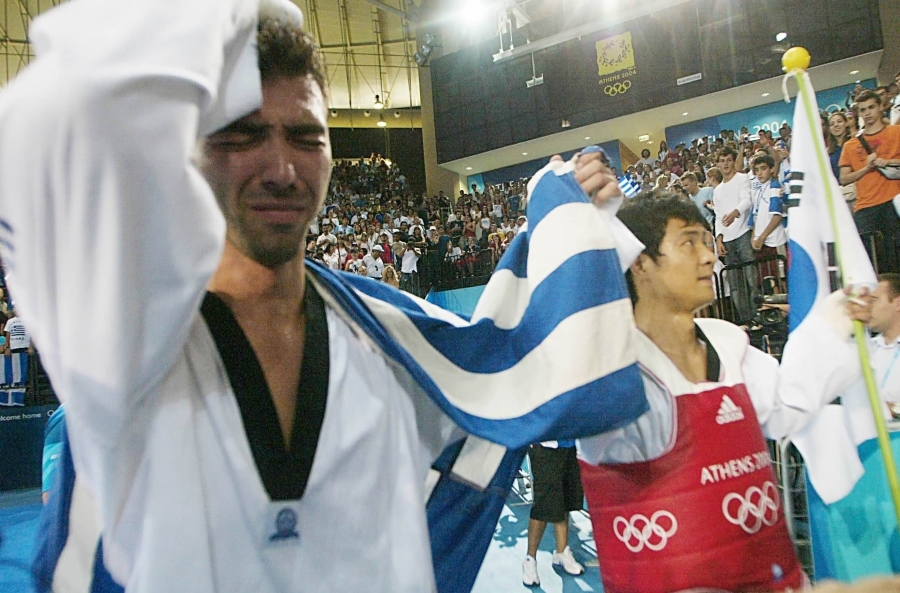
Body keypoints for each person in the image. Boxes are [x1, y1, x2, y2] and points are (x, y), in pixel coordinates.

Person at [0, 2, 645, 591]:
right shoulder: (129, 377)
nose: (283, 169)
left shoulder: (391, 335)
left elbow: (520, 371)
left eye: (306, 137)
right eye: (243, 135)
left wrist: (562, 218)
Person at [578, 194, 870, 593]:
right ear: (640, 262)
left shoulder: (728, 345)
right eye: (688, 242)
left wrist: (839, 317)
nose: (709, 257)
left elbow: (790, 402)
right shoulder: (613, 372)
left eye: (706, 241)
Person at [840, 89, 900, 273]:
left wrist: (888, 162)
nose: (867, 113)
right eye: (863, 109)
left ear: (881, 107)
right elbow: (844, 178)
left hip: (893, 203)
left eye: (871, 107)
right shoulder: (850, 145)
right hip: (865, 208)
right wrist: (866, 168)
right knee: (872, 264)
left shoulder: (896, 132)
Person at [521, 440, 585, 587]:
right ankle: (530, 559)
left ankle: (561, 553)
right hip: (544, 446)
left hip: (570, 444)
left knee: (565, 499)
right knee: (543, 504)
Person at [713, 148, 758, 325]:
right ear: (718, 164)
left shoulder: (742, 178)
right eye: (722, 160)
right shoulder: (717, 190)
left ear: (733, 161)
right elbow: (718, 215)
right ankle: (747, 321)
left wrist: (735, 212)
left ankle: (759, 316)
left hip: (743, 234)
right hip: (727, 240)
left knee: (752, 280)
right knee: (736, 286)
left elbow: (747, 200)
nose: (725, 163)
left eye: (728, 160)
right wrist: (719, 238)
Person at [864, 273, 900, 418]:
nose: (866, 308)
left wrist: (895, 409)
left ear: (897, 304)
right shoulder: (866, 349)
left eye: (873, 300)